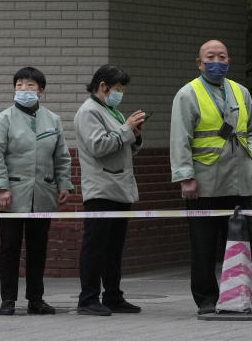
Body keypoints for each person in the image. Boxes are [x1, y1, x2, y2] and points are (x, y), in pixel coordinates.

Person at [169, 39, 252, 316]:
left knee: (242, 244)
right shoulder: (188, 94)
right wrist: (185, 177)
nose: (217, 61)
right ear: (199, 63)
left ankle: (246, 296)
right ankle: (206, 299)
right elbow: (180, 139)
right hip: (204, 181)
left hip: (238, 180)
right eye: (210, 57)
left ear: (229, 61)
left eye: (222, 56)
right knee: (203, 245)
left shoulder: (241, 91)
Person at [0, 66, 74, 316]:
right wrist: (1, 187)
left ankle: (36, 299)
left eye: (30, 85)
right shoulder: (4, 119)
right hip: (12, 195)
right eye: (19, 85)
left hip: (43, 193)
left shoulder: (52, 119)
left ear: (41, 91)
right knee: (9, 248)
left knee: (38, 248)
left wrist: (64, 184)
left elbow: (61, 156)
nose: (24, 90)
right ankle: (8, 300)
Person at [75, 64, 147, 316]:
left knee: (114, 247)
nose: (120, 94)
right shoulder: (89, 112)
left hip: (119, 188)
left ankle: (113, 295)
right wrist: (127, 129)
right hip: (101, 189)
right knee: (95, 246)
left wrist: (135, 134)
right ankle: (88, 298)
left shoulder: (111, 110)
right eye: (117, 89)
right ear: (103, 86)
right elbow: (99, 146)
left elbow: (124, 145)